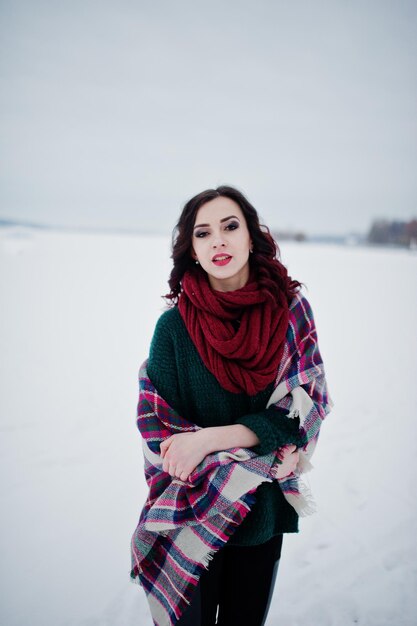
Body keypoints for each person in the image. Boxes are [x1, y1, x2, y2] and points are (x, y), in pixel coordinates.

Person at [130, 185, 332, 626]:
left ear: (251, 237)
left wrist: (212, 440)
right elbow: (163, 438)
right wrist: (264, 446)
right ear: (193, 251)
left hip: (262, 516)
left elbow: (304, 409)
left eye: (230, 226)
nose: (218, 240)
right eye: (203, 233)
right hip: (190, 518)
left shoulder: (292, 313)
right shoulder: (174, 329)